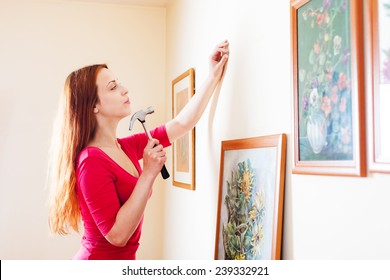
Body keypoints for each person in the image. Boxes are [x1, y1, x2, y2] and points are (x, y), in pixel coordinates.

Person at [48, 40, 229, 260]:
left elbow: (182, 123)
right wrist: (149, 173)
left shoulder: (125, 146)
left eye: (119, 83)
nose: (124, 89)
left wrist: (212, 76)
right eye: (113, 87)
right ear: (93, 106)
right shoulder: (91, 162)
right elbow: (117, 236)